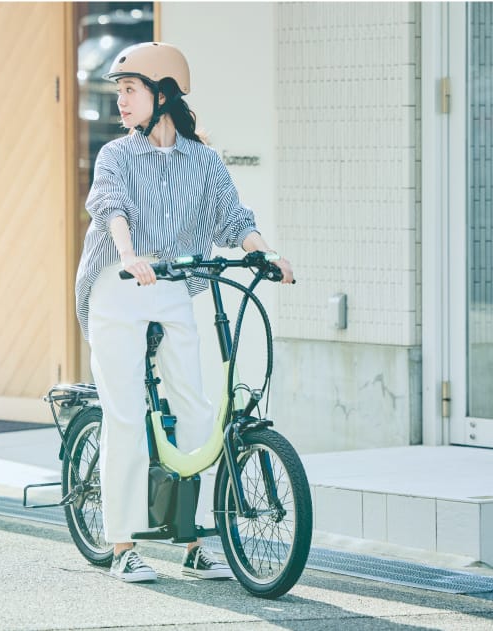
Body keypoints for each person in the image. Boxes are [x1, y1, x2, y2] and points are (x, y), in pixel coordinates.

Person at [75, 41, 294, 583]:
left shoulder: (203, 160)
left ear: (164, 93)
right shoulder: (117, 156)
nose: (120, 102)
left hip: (170, 285)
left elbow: (234, 215)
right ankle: (123, 543)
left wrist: (263, 252)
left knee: (197, 407)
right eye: (119, 91)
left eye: (130, 90)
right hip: (118, 284)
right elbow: (111, 208)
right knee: (125, 413)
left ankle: (194, 538)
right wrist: (128, 255)